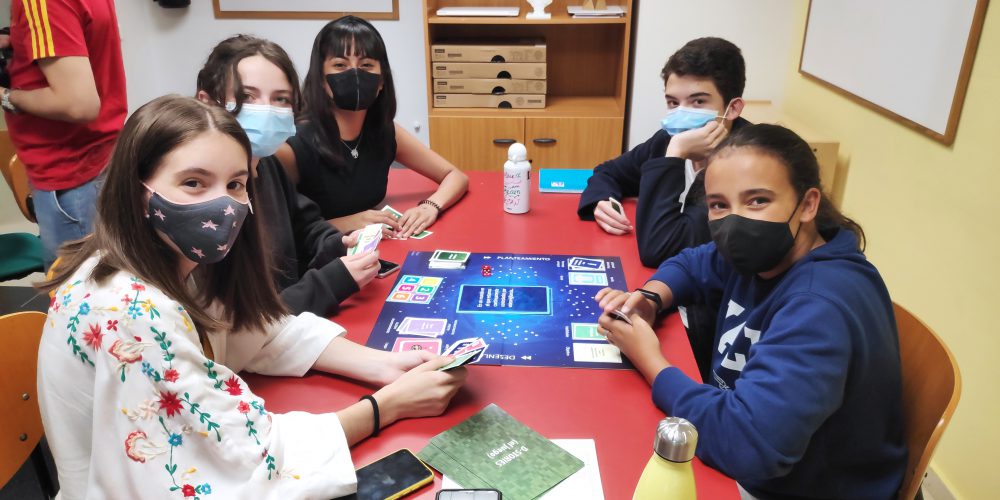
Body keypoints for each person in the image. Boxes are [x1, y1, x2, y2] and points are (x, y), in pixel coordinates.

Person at [36, 95, 468, 499]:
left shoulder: (176, 257)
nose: (222, 205)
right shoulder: (127, 309)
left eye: (236, 184)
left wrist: (385, 365)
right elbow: (249, 455)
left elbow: (253, 330)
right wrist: (386, 406)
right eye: (193, 182)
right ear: (136, 189)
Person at [595, 124, 907, 499]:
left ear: (808, 204)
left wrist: (651, 361)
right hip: (749, 441)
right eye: (719, 205)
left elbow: (748, 447)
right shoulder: (764, 256)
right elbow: (692, 263)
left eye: (757, 200)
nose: (735, 220)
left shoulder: (819, 306)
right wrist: (651, 297)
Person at [580, 37, 751, 380]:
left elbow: (659, 247)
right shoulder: (666, 141)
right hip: (661, 293)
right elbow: (608, 172)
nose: (681, 114)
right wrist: (602, 201)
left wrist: (676, 154)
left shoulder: (744, 168)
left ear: (732, 108)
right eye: (673, 102)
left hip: (706, 324)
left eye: (697, 101)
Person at [195, 34, 378, 316]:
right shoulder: (204, 200)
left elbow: (305, 227)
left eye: (280, 99)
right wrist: (332, 282)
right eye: (247, 97)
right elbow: (239, 325)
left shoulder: (267, 165)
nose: (266, 110)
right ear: (207, 102)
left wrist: (337, 244)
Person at [276, 16, 468, 239]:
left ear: (382, 80)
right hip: (320, 256)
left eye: (366, 65)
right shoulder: (292, 145)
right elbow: (278, 232)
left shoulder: (383, 131)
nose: (355, 74)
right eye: (340, 65)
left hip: (374, 249)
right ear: (320, 78)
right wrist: (349, 222)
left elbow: (455, 176)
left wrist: (430, 206)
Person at [2, 0, 126, 268]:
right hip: (98, 160)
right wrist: (19, 40)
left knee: (77, 287)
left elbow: (78, 104)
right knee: (109, 280)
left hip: (70, 175)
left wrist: (6, 97)